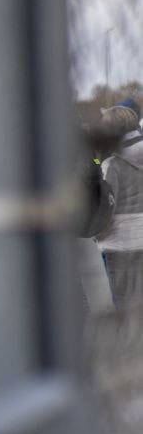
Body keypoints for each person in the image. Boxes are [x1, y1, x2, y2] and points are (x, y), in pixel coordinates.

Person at [95, 104, 143, 308]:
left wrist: (97, 232)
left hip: (119, 244)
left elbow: (106, 206)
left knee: (125, 307)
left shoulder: (111, 165)